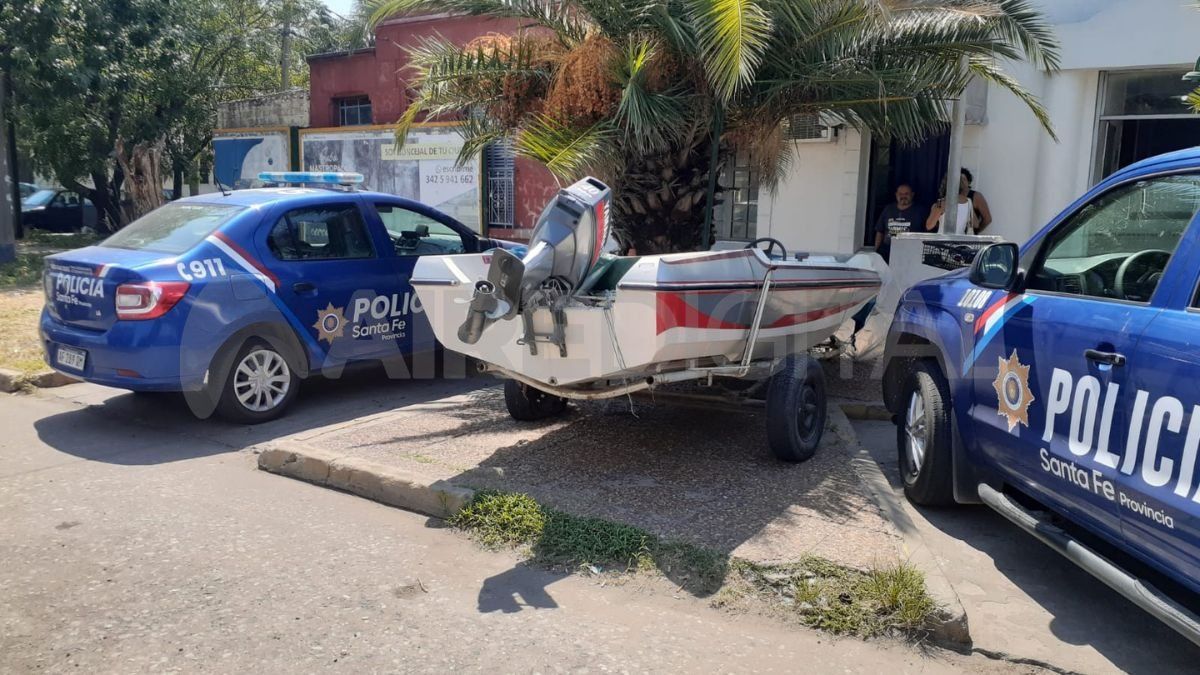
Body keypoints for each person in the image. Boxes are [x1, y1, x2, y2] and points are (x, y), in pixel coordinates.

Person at [926, 168, 993, 234]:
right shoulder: (969, 202)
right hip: (960, 241)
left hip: (943, 241)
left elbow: (929, 226)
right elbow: (976, 224)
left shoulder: (940, 203)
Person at [873, 183, 927, 262]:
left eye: (906, 194)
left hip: (910, 252)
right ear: (896, 195)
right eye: (900, 194)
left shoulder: (920, 211)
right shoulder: (888, 209)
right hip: (887, 250)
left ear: (912, 195)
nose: (903, 196)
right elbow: (880, 231)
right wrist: (876, 251)